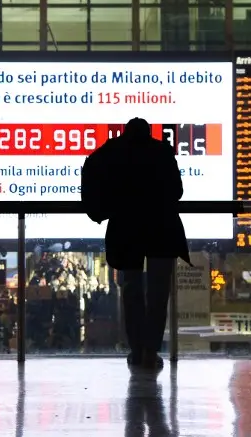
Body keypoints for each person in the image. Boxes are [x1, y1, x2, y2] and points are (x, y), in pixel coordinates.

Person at [82, 118, 189, 369]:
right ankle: (151, 351)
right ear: (148, 133)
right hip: (162, 229)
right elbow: (177, 191)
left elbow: (90, 171)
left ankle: (137, 349)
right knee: (158, 292)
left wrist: (101, 209)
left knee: (131, 290)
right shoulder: (161, 151)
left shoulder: (112, 151)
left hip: (126, 230)